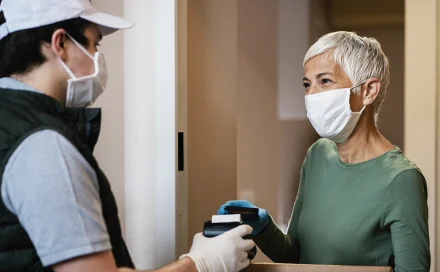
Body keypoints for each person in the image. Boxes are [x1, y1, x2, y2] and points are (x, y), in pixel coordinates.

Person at [0, 0, 254, 271]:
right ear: (60, 43)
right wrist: (201, 263)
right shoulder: (45, 146)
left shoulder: (11, 123)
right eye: (93, 45)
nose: (97, 57)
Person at [218, 31, 430, 272]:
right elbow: (295, 254)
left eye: (325, 81)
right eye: (307, 84)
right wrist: (262, 226)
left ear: (369, 91)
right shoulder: (318, 154)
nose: (311, 95)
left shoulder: (401, 179)